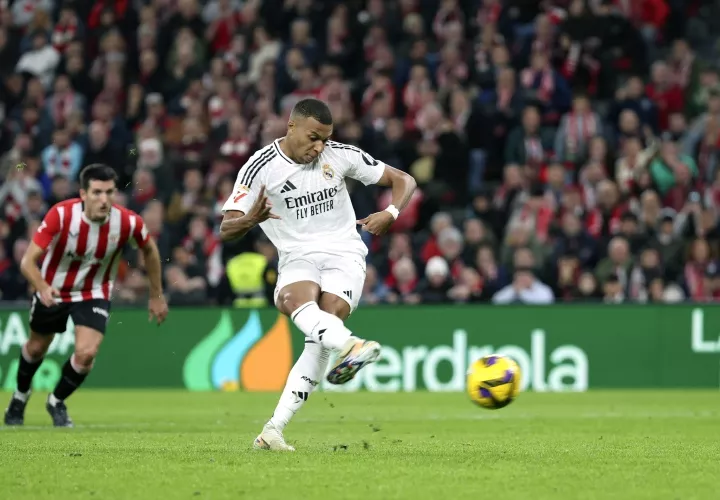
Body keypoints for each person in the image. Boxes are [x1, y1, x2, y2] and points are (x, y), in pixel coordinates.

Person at [219, 98, 416, 451]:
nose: (319, 147)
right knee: (293, 301)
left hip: (344, 253)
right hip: (297, 256)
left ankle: (273, 428)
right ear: (290, 126)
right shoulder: (259, 168)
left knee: (323, 326)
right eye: (313, 137)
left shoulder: (339, 155)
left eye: (325, 138)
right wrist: (250, 219)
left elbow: (404, 180)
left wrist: (391, 212)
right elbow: (226, 228)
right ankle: (351, 346)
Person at [3, 164, 169, 428]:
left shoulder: (127, 222)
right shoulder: (61, 215)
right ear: (83, 194)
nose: (104, 200)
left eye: (109, 192)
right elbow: (27, 261)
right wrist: (42, 287)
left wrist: (156, 294)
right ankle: (20, 397)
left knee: (86, 353)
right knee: (36, 348)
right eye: (97, 193)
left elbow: (149, 249)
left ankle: (56, 401)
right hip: (54, 289)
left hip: (94, 292)